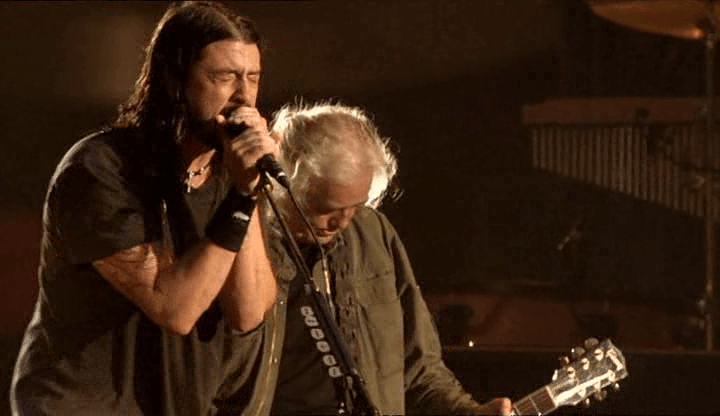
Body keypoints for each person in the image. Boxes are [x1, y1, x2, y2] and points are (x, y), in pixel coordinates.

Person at [11, 2, 278, 415]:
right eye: (224, 77)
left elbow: (248, 312)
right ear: (174, 80)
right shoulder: (100, 171)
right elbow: (174, 308)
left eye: (252, 78)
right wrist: (241, 200)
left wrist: (247, 191)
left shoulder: (230, 175)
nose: (243, 97)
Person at [245, 101, 513, 415]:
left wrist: (469, 412)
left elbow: (420, 371)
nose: (343, 223)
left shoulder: (374, 231)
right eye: (328, 209)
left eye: (356, 207)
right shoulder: (250, 245)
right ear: (284, 185)